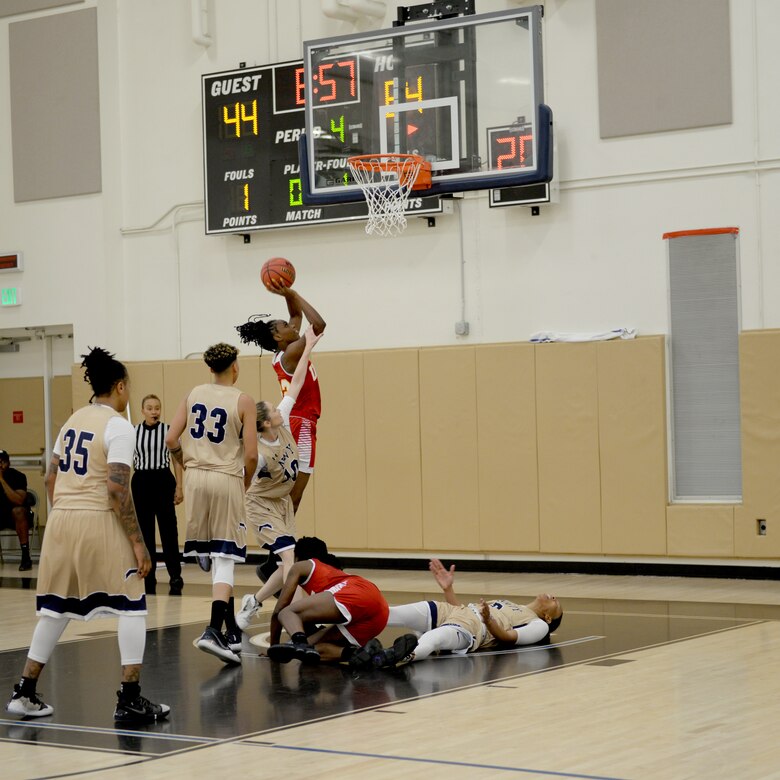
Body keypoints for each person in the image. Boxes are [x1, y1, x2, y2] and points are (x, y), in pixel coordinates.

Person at [5, 347, 169, 723]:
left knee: (54, 608)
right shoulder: (119, 426)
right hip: (97, 519)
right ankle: (130, 697)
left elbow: (49, 478)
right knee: (132, 602)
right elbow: (116, 489)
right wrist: (139, 543)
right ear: (121, 386)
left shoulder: (71, 421)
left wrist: (65, 510)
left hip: (61, 519)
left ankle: (24, 692)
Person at [166, 342, 258, 665]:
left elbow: (171, 439)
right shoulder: (243, 400)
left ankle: (230, 631)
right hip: (224, 478)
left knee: (220, 556)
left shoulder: (193, 394)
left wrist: (184, 464)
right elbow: (250, 455)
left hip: (195, 477)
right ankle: (213, 629)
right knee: (228, 555)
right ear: (235, 367)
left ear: (209, 369)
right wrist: (243, 485)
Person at [235, 326, 322, 630]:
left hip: (281, 503)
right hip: (261, 506)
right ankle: (300, 615)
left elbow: (296, 383)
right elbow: (240, 479)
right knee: (290, 561)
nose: (279, 405)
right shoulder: (258, 455)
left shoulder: (281, 420)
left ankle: (253, 602)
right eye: (272, 409)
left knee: (287, 560)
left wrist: (308, 345)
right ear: (264, 423)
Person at [354, 558, 564, 668]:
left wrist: (489, 620)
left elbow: (508, 638)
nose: (555, 598)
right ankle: (339, 631)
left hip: (476, 629)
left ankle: (394, 656)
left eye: (557, 604)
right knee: (386, 613)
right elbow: (463, 611)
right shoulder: (511, 604)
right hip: (456, 612)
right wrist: (448, 589)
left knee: (433, 639)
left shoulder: (540, 625)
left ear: (548, 617)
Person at [235, 284, 326, 516]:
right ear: (277, 336)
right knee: (294, 497)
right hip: (300, 423)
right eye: (285, 326)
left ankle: (280, 545)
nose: (292, 325)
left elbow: (296, 314)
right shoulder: (292, 353)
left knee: (290, 496)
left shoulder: (285, 351)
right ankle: (280, 546)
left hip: (295, 422)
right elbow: (319, 325)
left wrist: (287, 293)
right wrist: (294, 294)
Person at [267, 536, 399, 666]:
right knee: (310, 652)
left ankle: (300, 644)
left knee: (286, 613)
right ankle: (370, 655)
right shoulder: (330, 570)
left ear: (297, 556)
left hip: (356, 592)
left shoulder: (301, 566)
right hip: (379, 612)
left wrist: (273, 647)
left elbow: (279, 610)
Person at [131, 394, 184, 596]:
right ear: (143, 410)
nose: (154, 411)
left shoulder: (168, 431)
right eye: (150, 408)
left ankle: (175, 575)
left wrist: (179, 486)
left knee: (169, 530)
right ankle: (149, 574)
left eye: (157, 408)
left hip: (163, 480)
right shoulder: (133, 432)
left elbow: (177, 460)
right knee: (145, 531)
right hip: (142, 481)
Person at [0, 449, 33, 571]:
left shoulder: (18, 476)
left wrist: (1, 480)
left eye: (3, 461)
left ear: (8, 463)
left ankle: (26, 557)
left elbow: (18, 500)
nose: (0, 464)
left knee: (18, 511)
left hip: (17, 517)